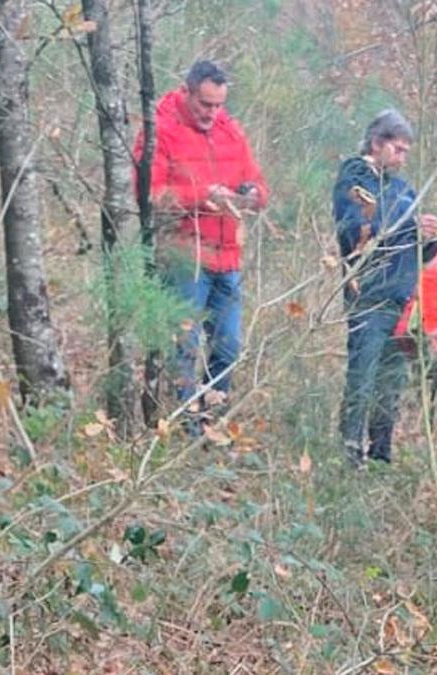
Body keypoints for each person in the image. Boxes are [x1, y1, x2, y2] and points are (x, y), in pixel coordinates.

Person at [137, 60, 268, 429]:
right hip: (183, 257)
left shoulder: (231, 132)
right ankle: (186, 428)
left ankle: (210, 423)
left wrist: (253, 194)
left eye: (218, 105)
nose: (212, 113)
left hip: (228, 258)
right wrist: (202, 195)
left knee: (228, 348)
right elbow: (148, 194)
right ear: (188, 91)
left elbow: (259, 183)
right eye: (205, 104)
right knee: (186, 348)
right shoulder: (160, 129)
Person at [332, 109, 437, 466]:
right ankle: (350, 451)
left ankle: (381, 454)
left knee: (391, 382)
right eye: (398, 149)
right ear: (377, 143)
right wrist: (412, 224)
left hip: (401, 301)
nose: (402, 157)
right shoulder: (354, 179)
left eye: (407, 151)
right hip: (369, 297)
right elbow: (357, 228)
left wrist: (430, 236)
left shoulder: (403, 190)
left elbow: (419, 250)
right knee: (362, 376)